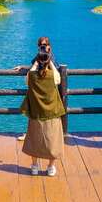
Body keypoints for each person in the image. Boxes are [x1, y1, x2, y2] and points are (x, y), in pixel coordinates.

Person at [20, 46, 65, 176]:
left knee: (35, 138)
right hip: (52, 112)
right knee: (53, 140)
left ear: (38, 61)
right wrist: (49, 61)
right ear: (48, 60)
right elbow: (58, 78)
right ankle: (50, 167)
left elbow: (26, 80)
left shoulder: (32, 76)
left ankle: (34, 166)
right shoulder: (53, 76)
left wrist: (35, 63)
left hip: (36, 112)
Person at [15, 36, 59, 142]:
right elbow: (33, 67)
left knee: (45, 117)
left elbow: (54, 72)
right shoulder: (39, 56)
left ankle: (43, 137)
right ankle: (31, 135)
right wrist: (22, 67)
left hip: (47, 91)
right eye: (40, 45)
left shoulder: (50, 57)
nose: (43, 47)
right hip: (38, 90)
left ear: (49, 46)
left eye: (45, 45)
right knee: (34, 114)